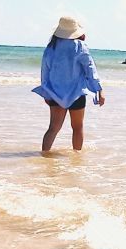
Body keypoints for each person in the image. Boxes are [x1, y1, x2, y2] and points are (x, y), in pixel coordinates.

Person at [32, 17, 105, 152]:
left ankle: (44, 157)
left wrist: (46, 93)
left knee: (53, 128)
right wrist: (99, 90)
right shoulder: (80, 46)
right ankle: (76, 161)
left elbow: (45, 72)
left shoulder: (51, 48)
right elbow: (90, 69)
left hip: (54, 93)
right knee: (77, 128)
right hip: (76, 93)